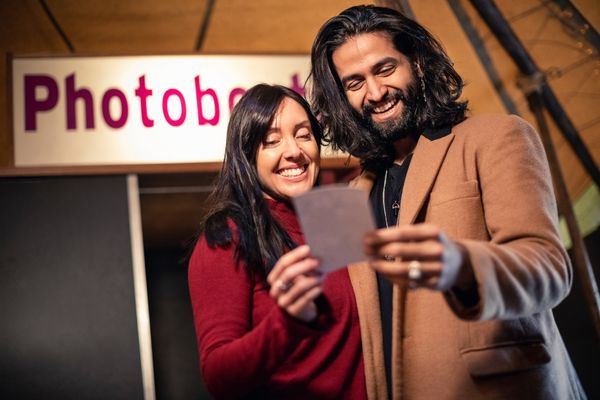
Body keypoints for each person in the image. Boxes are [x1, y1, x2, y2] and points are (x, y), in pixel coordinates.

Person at [308, 5, 585, 400]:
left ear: (417, 63)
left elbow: (549, 268)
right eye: (354, 83)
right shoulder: (352, 197)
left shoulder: (497, 136)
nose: (374, 93)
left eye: (385, 69)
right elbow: (346, 323)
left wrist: (465, 266)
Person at [188, 84, 366, 399]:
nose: (293, 151)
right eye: (271, 141)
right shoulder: (228, 236)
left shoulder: (336, 218)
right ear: (247, 155)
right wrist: (286, 324)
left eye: (303, 134)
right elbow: (217, 376)